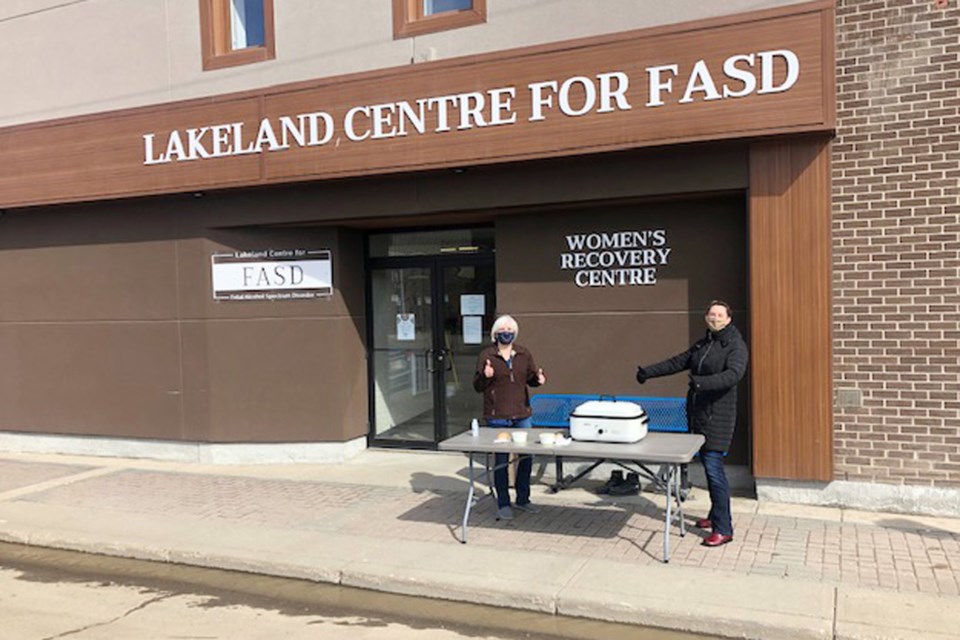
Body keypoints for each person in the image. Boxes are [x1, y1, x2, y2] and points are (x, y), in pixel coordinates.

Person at [636, 301, 748, 547]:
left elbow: (733, 375)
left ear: (728, 319)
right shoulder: (704, 343)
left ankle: (724, 528)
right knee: (710, 468)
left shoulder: (735, 346)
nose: (714, 318)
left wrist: (701, 384)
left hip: (718, 416)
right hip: (698, 414)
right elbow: (678, 362)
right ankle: (713, 516)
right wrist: (648, 372)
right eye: (711, 314)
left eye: (720, 315)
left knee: (714, 469)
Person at [473, 314, 546, 520]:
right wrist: (484, 376)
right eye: (502, 329)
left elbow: (530, 378)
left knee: (525, 457)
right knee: (502, 461)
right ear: (496, 333)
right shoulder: (487, 355)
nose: (507, 332)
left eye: (510, 329)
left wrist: (538, 379)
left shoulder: (523, 353)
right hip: (498, 416)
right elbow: (477, 387)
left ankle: (523, 499)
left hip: (522, 414)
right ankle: (503, 502)